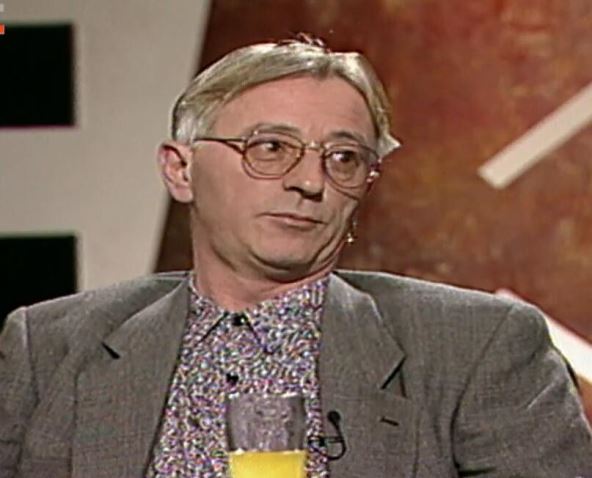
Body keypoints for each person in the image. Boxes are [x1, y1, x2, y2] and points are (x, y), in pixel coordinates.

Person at [0, 36, 590, 478]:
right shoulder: (48, 348)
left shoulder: (477, 348)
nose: (310, 182)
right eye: (271, 148)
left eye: (343, 159)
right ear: (180, 170)